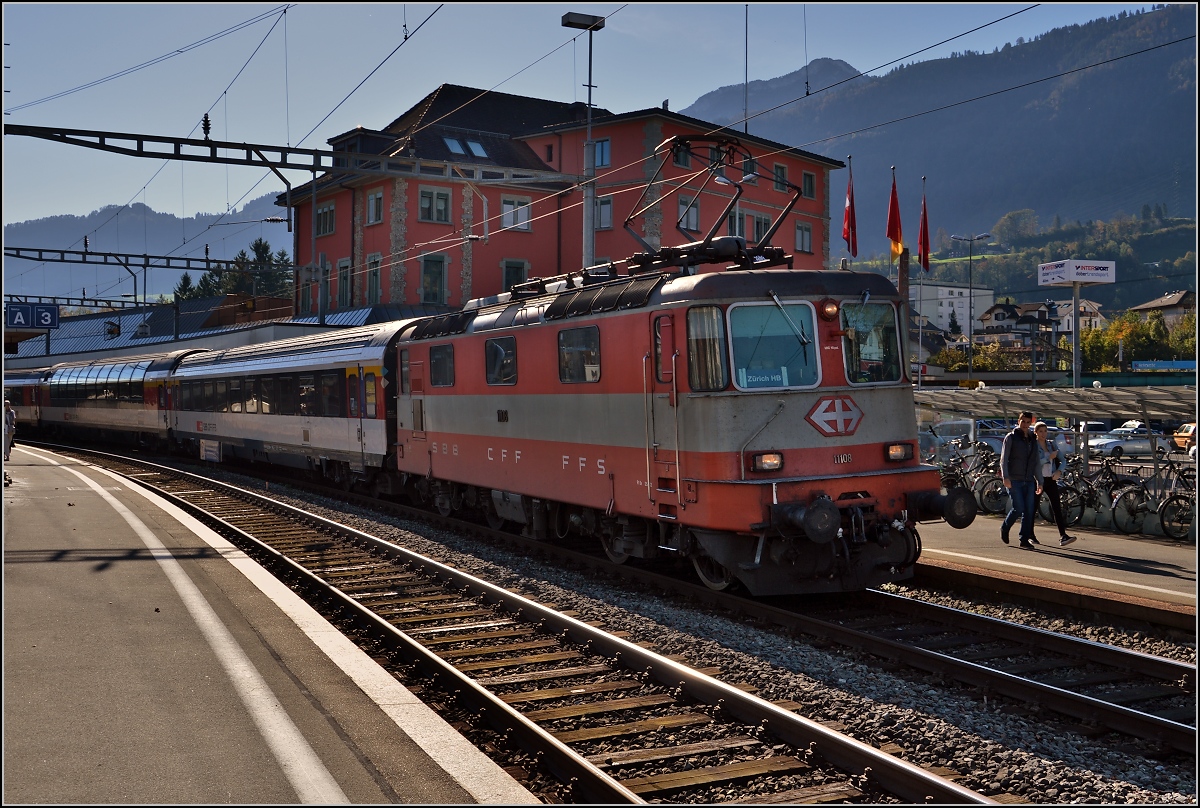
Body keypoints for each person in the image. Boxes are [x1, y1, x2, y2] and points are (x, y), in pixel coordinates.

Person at [999, 411, 1042, 549]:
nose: (1025, 424)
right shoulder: (1011, 437)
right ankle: (1005, 527)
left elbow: (1035, 462)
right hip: (1014, 479)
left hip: (1029, 480)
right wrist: (1005, 476)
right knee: (1018, 507)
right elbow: (1004, 459)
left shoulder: (1032, 439)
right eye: (1022, 421)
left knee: (1029, 511)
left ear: (1031, 423)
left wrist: (1040, 481)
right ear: (1018, 421)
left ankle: (1024, 539)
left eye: (1028, 422)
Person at [1033, 421, 1078, 547]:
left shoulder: (1051, 445)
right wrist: (1048, 458)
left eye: (1045, 431)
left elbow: (1063, 460)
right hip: (1038, 479)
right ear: (1035, 433)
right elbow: (1035, 463)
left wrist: (1059, 471)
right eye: (1040, 431)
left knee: (1056, 507)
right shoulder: (1034, 445)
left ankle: (1063, 535)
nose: (1043, 434)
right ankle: (1030, 534)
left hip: (1051, 479)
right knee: (1034, 507)